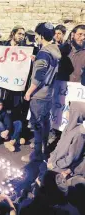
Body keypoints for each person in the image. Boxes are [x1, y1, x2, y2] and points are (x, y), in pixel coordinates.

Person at [22, 22, 61, 162]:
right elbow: (48, 68)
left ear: (41, 35)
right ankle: (44, 150)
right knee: (45, 124)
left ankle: (37, 154)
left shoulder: (44, 52)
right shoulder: (55, 50)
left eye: (37, 35)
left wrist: (28, 92)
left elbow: (39, 77)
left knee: (37, 126)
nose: (36, 38)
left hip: (39, 95)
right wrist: (36, 61)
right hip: (49, 94)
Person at [47, 102, 85, 173]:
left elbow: (72, 158)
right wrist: (52, 156)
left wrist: (55, 164)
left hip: (60, 168)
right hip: (53, 161)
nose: (66, 112)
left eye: (69, 110)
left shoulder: (79, 134)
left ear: (75, 114)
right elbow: (60, 143)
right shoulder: (68, 127)